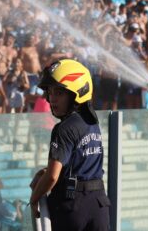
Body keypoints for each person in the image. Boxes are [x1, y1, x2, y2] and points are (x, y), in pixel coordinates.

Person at [29, 59, 110, 231]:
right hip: (99, 205)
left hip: (72, 206)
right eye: (50, 93)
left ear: (76, 93)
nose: (52, 99)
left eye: (59, 93)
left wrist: (34, 198)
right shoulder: (92, 123)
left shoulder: (63, 129)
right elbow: (78, 165)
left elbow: (52, 177)